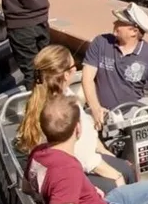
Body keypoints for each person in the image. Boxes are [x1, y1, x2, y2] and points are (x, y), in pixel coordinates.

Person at [16, 45, 135, 194]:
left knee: (126, 168)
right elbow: (85, 158)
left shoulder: (47, 97)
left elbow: (87, 141)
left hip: (72, 161)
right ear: (66, 74)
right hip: (72, 168)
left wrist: (104, 151)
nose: (75, 70)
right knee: (121, 179)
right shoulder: (65, 109)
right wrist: (116, 177)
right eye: (74, 66)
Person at [82, 3, 148, 130]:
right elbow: (87, 79)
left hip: (131, 116)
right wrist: (96, 109)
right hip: (99, 111)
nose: (114, 23)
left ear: (134, 31)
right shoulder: (100, 43)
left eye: (120, 22)